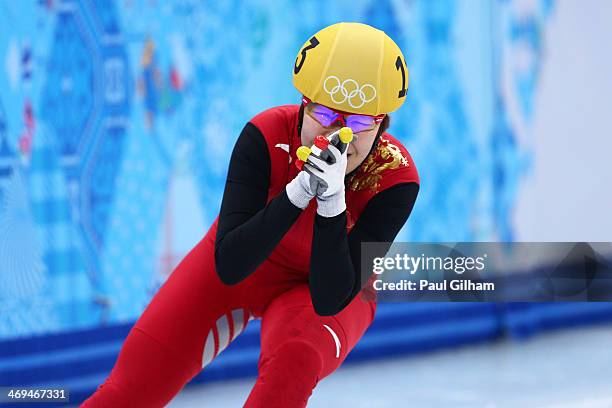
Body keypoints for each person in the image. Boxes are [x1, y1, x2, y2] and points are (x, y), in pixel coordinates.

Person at [82, 22, 419, 407]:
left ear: (383, 127)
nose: (338, 133)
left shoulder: (394, 178)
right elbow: (229, 265)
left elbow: (330, 299)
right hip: (246, 262)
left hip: (323, 289)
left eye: (359, 123)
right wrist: (297, 193)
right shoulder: (265, 134)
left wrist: (331, 203)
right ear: (303, 104)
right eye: (326, 113)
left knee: (292, 366)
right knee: (127, 393)